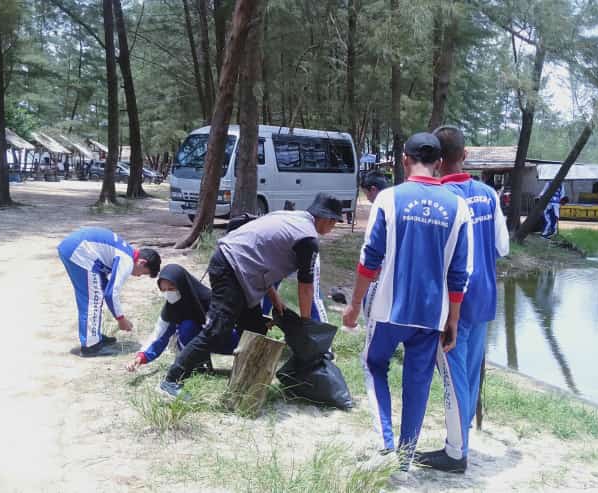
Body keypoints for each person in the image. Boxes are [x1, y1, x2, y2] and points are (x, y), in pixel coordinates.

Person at [342, 132, 471, 470]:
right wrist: (453, 320)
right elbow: (460, 274)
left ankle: (386, 445)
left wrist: (355, 304)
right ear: (440, 164)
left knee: (373, 364)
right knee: (418, 383)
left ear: (404, 160)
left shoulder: (387, 198)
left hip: (388, 309)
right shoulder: (458, 207)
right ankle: (405, 455)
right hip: (432, 316)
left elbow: (370, 259)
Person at [160, 192, 345, 397]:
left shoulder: (293, 219)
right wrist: (306, 324)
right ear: (328, 219)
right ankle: (171, 379)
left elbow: (261, 254)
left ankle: (244, 381)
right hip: (231, 269)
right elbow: (306, 286)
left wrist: (274, 297)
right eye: (334, 223)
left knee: (256, 327)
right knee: (218, 329)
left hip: (241, 270)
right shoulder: (307, 238)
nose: (332, 228)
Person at [416, 126, 510, 474]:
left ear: (438, 161)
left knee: (454, 378)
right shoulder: (488, 194)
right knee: (468, 374)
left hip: (452, 304)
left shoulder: (439, 199)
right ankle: (462, 438)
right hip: (484, 296)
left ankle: (456, 453)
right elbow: (502, 247)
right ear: (465, 155)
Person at [57, 227, 161, 357]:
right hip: (79, 251)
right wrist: (121, 319)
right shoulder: (127, 261)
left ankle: (94, 336)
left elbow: (106, 287)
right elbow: (111, 293)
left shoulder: (126, 251)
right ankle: (91, 346)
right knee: (92, 298)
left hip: (74, 248)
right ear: (142, 262)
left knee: (96, 292)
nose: (139, 276)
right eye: (144, 273)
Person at [126, 264, 239, 372]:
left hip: (226, 339)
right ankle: (195, 364)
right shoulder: (172, 308)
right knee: (187, 326)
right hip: (198, 346)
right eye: (164, 290)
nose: (168, 294)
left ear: (182, 285)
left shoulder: (210, 300)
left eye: (171, 288)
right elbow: (159, 335)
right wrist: (141, 357)